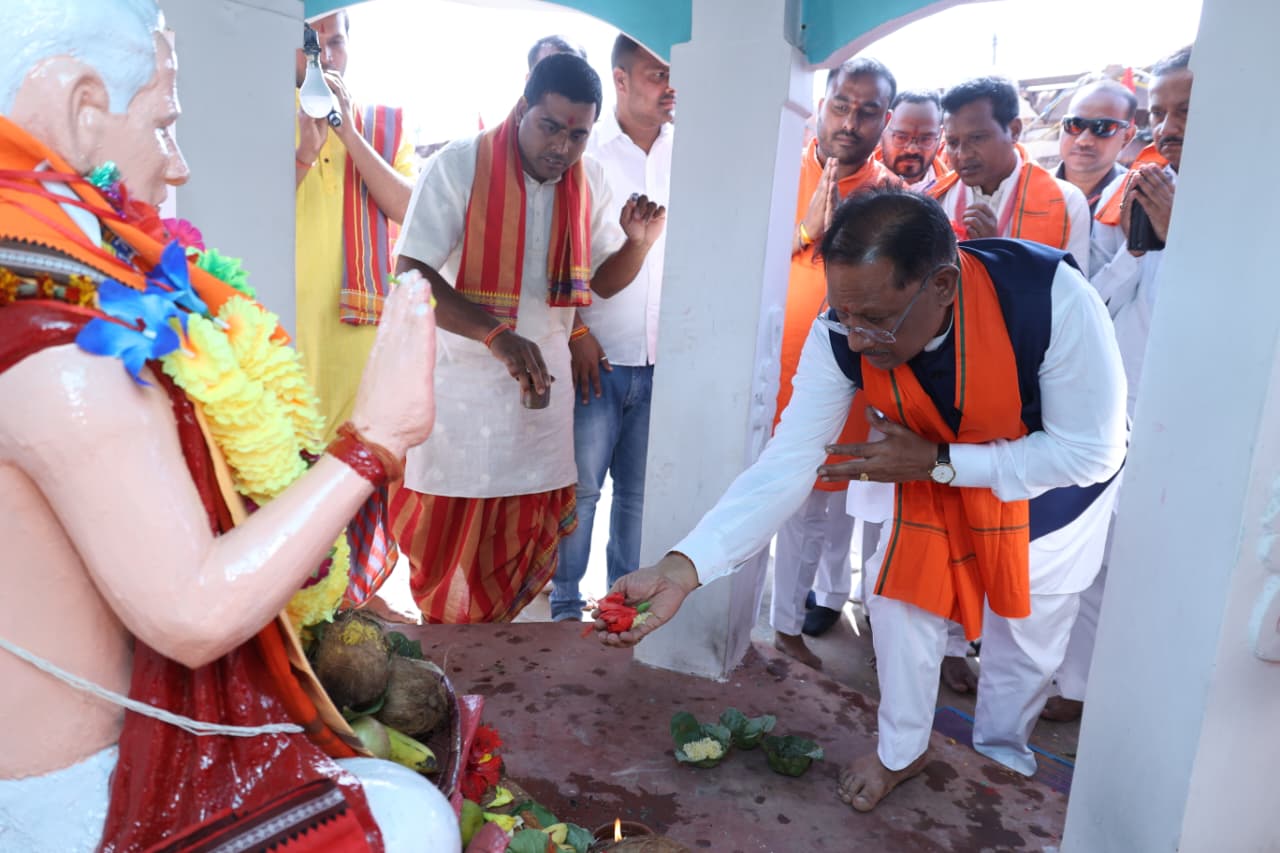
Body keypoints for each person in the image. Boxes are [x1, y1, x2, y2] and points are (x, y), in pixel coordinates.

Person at [0, 2, 453, 850]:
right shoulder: (60, 352)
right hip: (61, 795)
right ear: (80, 107)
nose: (177, 165)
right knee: (414, 820)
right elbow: (194, 609)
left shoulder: (38, 291)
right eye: (164, 124)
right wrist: (374, 441)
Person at [595, 190, 1127, 812]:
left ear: (943, 287)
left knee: (1024, 641)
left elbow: (1092, 452)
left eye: (875, 318)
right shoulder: (843, 328)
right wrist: (683, 569)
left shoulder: (1051, 301)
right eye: (846, 315)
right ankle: (903, 751)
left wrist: (943, 462)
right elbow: (790, 461)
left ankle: (1001, 759)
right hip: (931, 482)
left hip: (1049, 497)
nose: (858, 336)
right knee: (900, 605)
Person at [389, 53, 666, 624]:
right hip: (461, 409)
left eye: (579, 134)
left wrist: (637, 244)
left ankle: (494, 679)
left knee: (519, 561)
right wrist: (496, 336)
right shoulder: (459, 166)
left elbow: (600, 281)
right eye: (550, 126)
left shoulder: (588, 181)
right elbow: (412, 271)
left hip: (539, 411)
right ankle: (452, 667)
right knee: (450, 566)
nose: (563, 147)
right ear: (523, 105)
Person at [1046, 47, 1194, 725]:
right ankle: (1075, 686)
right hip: (1120, 410)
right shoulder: (1153, 188)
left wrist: (1180, 235)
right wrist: (1146, 244)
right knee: (1096, 555)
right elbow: (1107, 300)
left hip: (1186, 428)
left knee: (1155, 570)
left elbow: (1205, 327)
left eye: (1183, 111)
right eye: (1161, 112)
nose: (1168, 127)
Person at [773, 57, 899, 665]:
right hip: (772, 370)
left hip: (854, 377)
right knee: (778, 499)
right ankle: (776, 624)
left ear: (886, 120)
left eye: (867, 111)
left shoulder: (891, 197)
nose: (851, 122)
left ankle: (805, 615)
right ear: (820, 106)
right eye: (841, 106)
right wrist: (805, 230)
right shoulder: (776, 169)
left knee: (830, 501)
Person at [550, 35, 675, 622]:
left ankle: (620, 608)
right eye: (656, 74)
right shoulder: (585, 155)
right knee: (582, 493)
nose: (670, 85)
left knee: (637, 499)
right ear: (620, 81)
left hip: (666, 359)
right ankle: (565, 608)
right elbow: (559, 258)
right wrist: (577, 331)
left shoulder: (691, 150)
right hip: (598, 358)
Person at [295, 10, 416, 441]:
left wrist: (348, 132)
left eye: (336, 42)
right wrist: (303, 155)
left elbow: (409, 209)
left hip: (360, 346)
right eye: (311, 42)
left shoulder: (384, 126)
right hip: (287, 336)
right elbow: (248, 208)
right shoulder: (258, 120)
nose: (324, 57)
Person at [931, 77, 1092, 275]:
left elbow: (1072, 294)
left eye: (977, 138)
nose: (963, 155)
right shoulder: (937, 199)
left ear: (1014, 130)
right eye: (953, 142)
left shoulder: (1066, 202)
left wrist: (996, 254)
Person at [876, 90, 949, 193]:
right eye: (901, 137)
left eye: (925, 139)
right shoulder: (858, 179)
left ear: (940, 135)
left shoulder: (954, 192)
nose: (912, 150)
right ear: (883, 129)